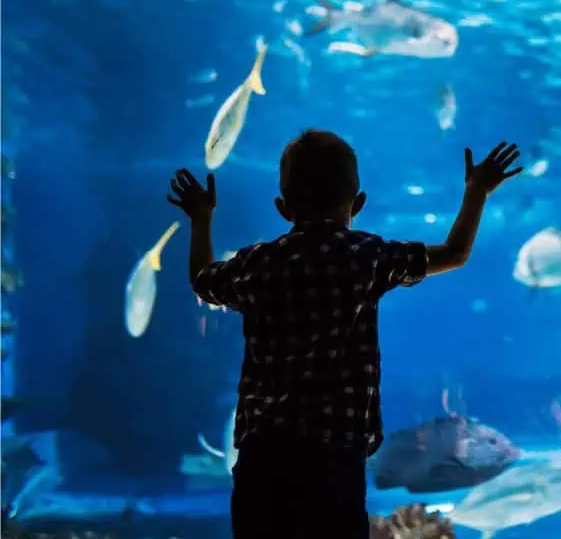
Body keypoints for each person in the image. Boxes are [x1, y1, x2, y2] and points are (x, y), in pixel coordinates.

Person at [166, 130, 523, 538]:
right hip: (335, 452)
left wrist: (201, 217)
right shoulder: (365, 256)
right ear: (358, 203)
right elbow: (454, 253)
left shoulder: (258, 263)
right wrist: (477, 190)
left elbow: (201, 280)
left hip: (264, 454)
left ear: (282, 207)